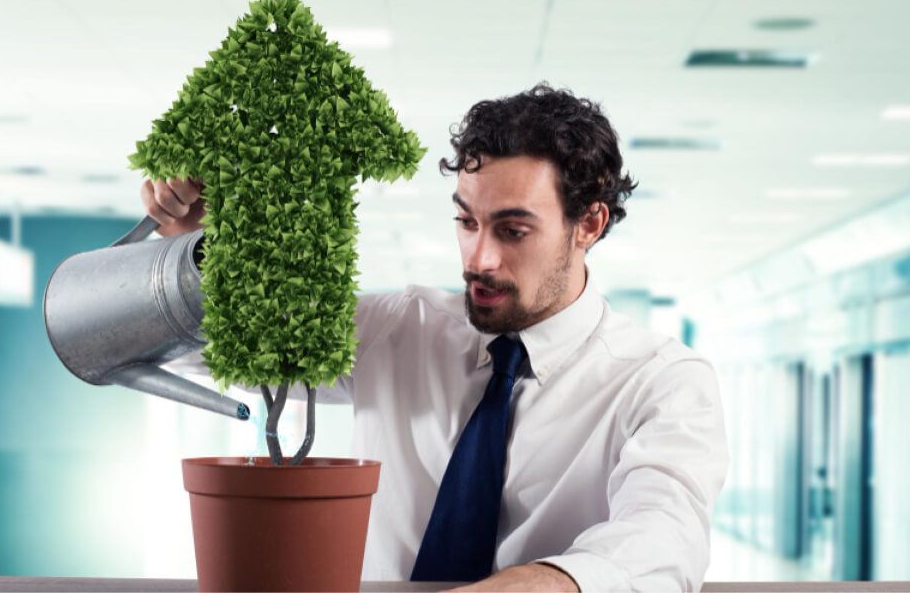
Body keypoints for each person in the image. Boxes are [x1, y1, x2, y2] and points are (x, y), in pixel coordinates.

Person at [142, 83, 729, 592]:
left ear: (590, 224)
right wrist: (191, 256)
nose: (480, 258)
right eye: (467, 222)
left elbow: (666, 533)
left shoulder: (660, 381)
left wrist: (548, 581)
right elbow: (194, 348)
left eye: (513, 229)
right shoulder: (398, 329)